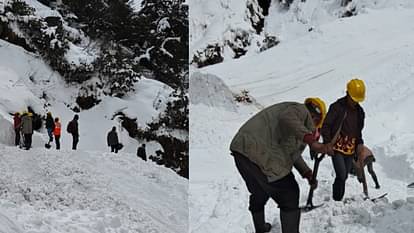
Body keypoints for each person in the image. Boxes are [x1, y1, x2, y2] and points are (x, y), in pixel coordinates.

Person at [230, 98, 334, 233]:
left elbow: (291, 153)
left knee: (259, 191)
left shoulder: (294, 129)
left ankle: (260, 228)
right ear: (315, 118)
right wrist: (312, 141)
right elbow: (287, 117)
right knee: (289, 193)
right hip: (258, 151)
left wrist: (307, 173)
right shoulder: (300, 110)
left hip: (242, 150)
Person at [321, 78, 366, 201]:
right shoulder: (337, 107)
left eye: (357, 100)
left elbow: (358, 132)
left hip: (350, 149)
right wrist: (327, 143)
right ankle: (337, 199)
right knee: (341, 174)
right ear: (348, 94)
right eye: (353, 99)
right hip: (336, 147)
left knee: (344, 175)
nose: (355, 102)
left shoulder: (360, 112)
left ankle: (337, 200)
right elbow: (326, 126)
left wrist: (360, 144)